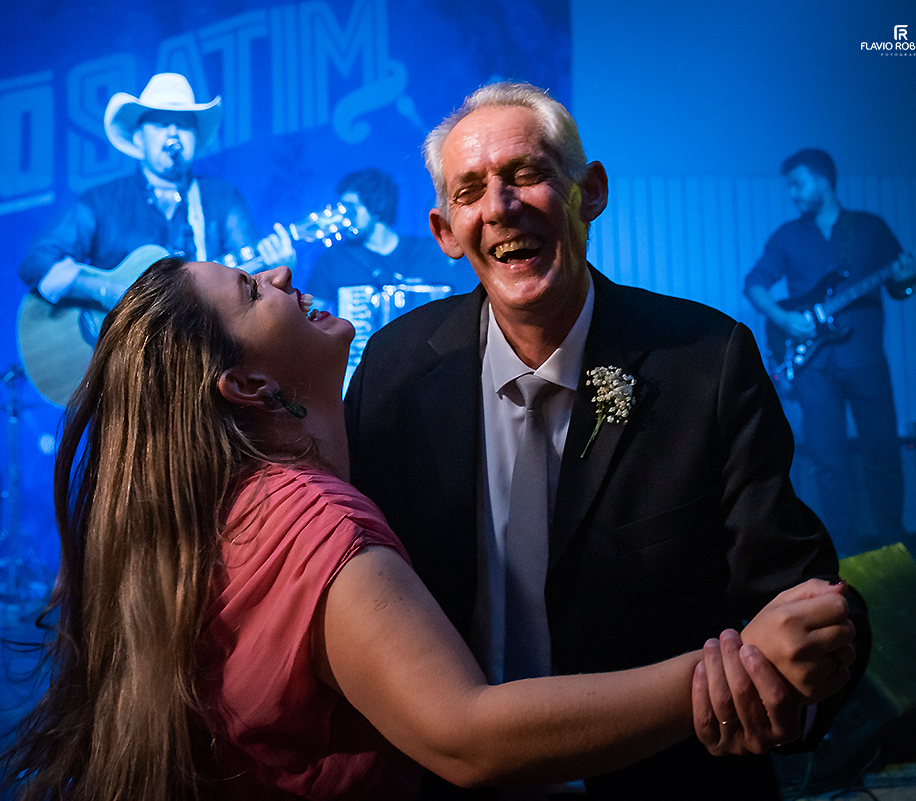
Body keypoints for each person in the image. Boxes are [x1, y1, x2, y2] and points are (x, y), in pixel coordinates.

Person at [1, 256, 858, 801]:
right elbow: (465, 734)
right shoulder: (312, 520)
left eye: (527, 175)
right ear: (249, 388)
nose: (282, 266)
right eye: (254, 290)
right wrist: (726, 673)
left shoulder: (236, 503)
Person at [344, 84, 870, 799]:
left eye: (526, 174)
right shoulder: (394, 370)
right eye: (471, 190)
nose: (500, 205)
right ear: (444, 231)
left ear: (588, 193)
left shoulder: (706, 361)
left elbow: (803, 601)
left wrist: (786, 684)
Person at [745, 148, 916, 556]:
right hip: (813, 368)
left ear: (823, 180)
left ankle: (896, 550)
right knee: (828, 461)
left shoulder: (871, 229)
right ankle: (844, 559)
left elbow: (901, 287)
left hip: (866, 361)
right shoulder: (788, 236)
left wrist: (907, 278)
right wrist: (786, 322)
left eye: (798, 183)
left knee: (883, 455)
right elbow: (754, 284)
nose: (793, 193)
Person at [19, 72, 296, 312]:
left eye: (184, 124)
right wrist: (105, 290)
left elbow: (251, 290)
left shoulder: (222, 200)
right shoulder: (101, 202)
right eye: (162, 123)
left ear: (195, 140)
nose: (173, 133)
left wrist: (276, 273)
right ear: (139, 138)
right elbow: (37, 262)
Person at [304, 167, 477, 387]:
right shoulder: (333, 259)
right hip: (361, 376)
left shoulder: (428, 253)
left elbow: (460, 308)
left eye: (350, 209)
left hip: (429, 375)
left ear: (375, 205)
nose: (343, 218)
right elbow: (306, 318)